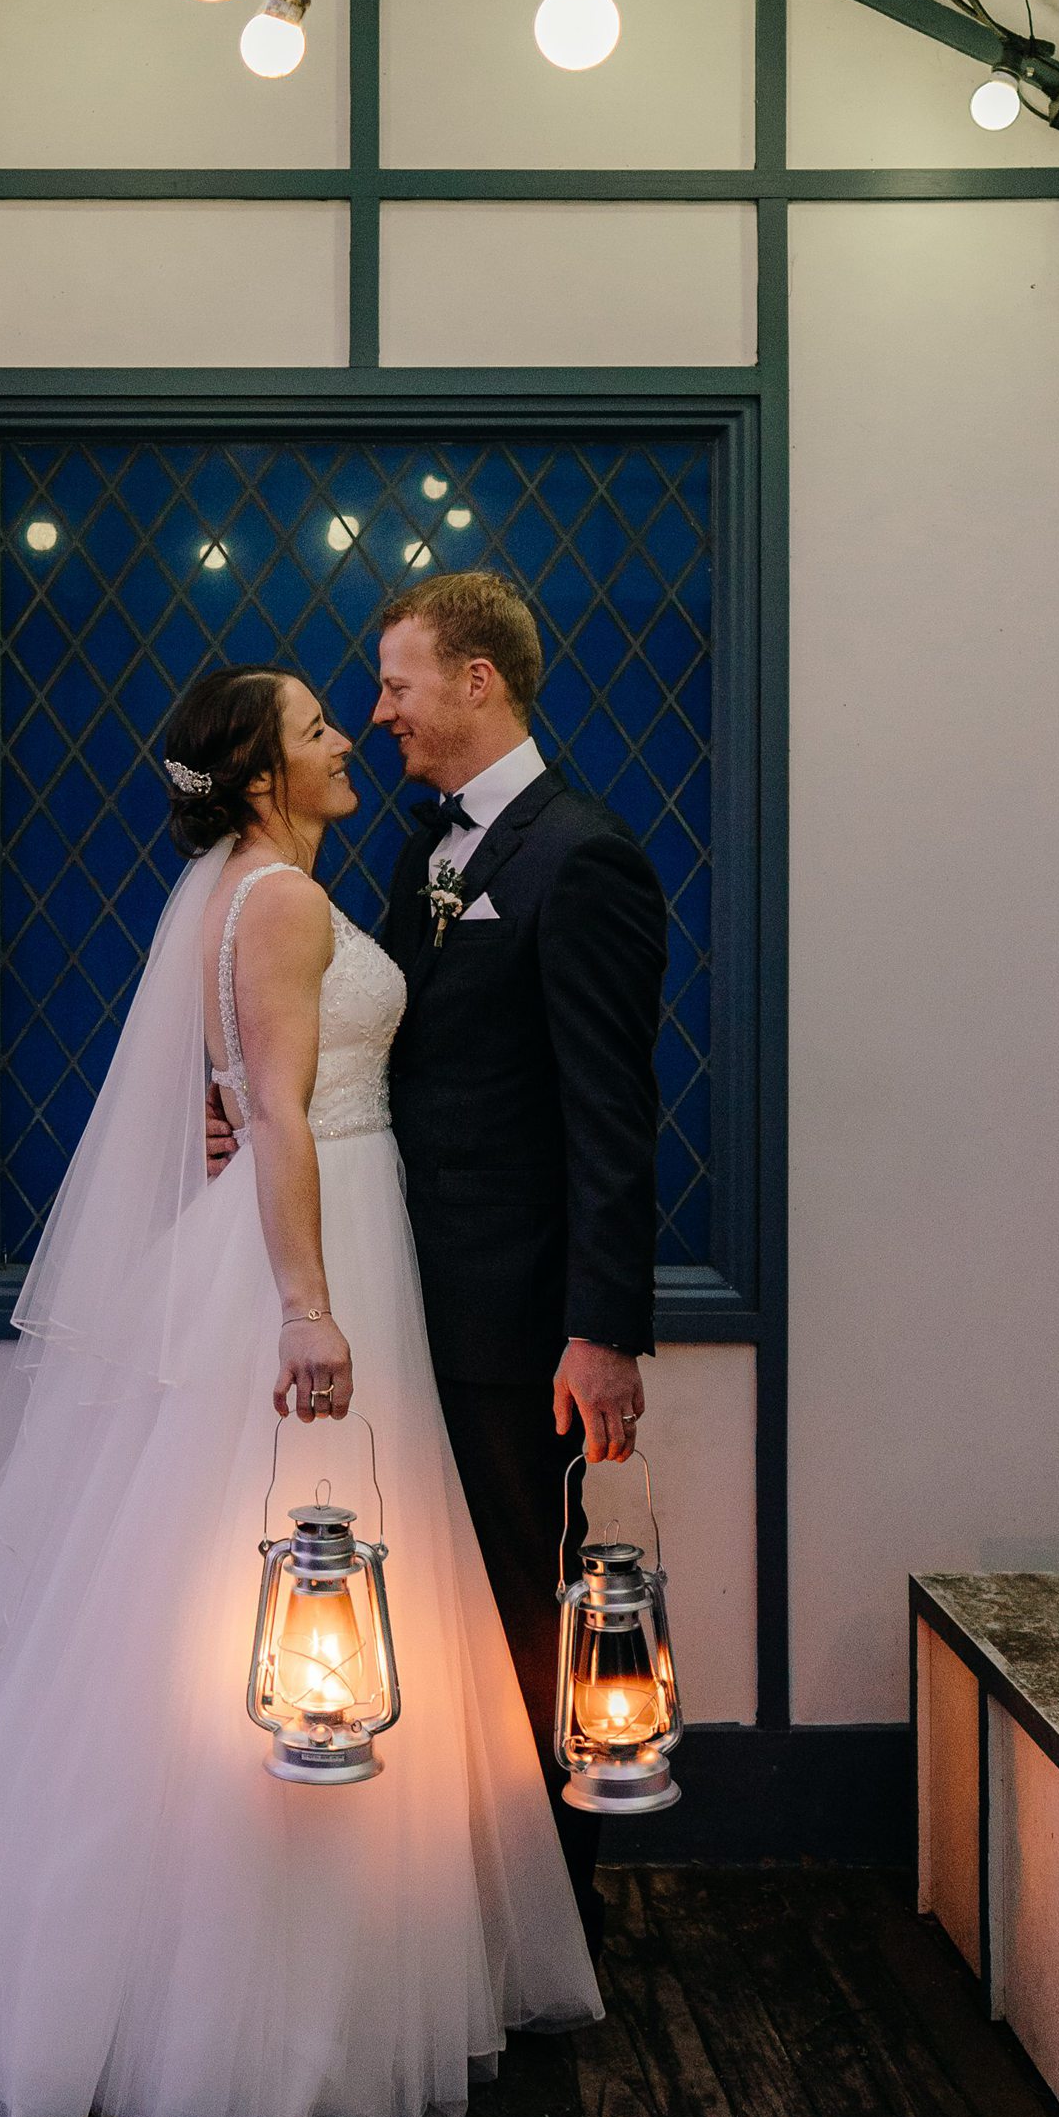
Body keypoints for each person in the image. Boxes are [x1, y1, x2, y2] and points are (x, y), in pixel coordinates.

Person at [0, 663, 598, 2117]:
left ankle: (305, 1960)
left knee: (259, 1598)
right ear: (265, 772)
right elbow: (275, 1106)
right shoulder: (269, 901)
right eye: (321, 728)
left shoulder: (261, 885)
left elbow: (256, 1088)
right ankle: (253, 1995)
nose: (349, 738)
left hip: (336, 1231)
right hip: (317, 1261)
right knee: (280, 1595)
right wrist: (311, 1304)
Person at [365, 574, 666, 1943]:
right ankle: (440, 1884)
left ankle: (542, 1922)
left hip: (509, 1320)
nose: (383, 713)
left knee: (518, 1604)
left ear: (478, 678)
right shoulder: (421, 850)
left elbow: (612, 1109)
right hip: (401, 1292)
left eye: (401, 684)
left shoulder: (581, 858)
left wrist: (601, 1327)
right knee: (425, 1598)